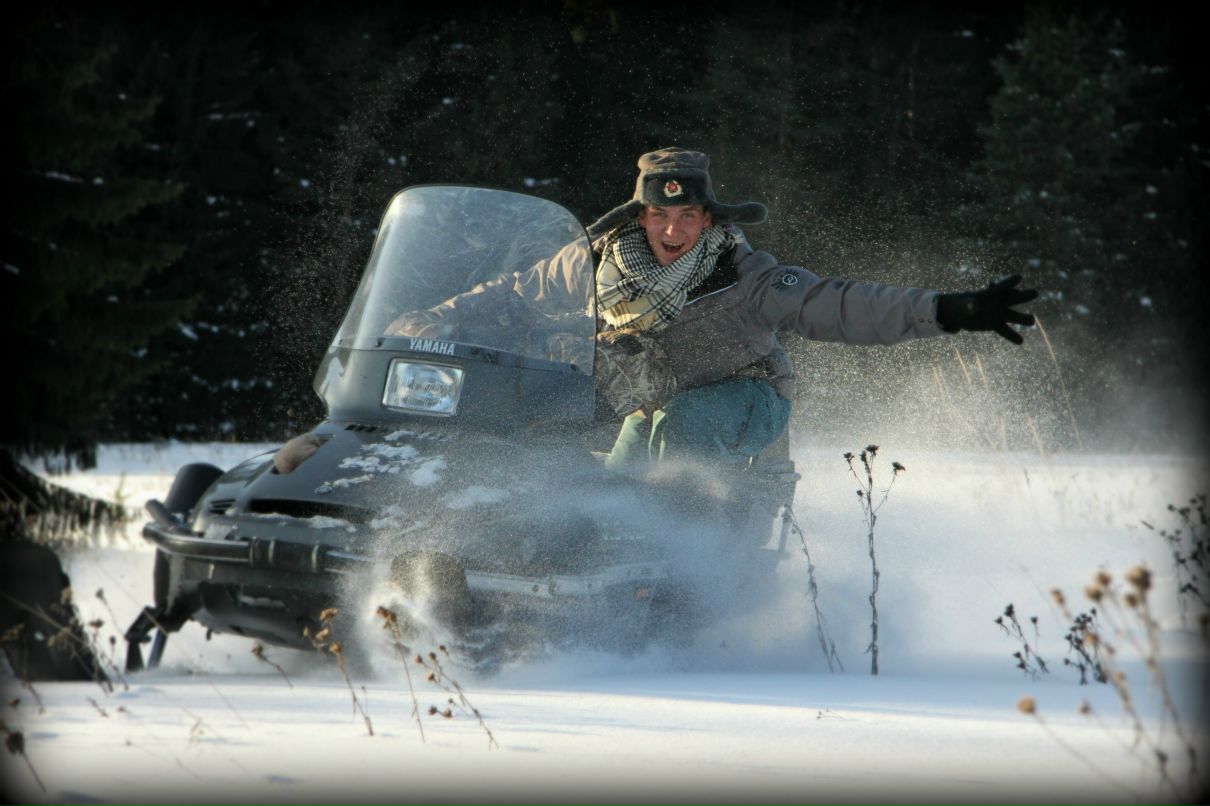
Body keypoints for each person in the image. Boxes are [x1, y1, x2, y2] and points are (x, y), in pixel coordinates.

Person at [586, 147, 1037, 470]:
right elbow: (530, 286)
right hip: (659, 403)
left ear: (708, 220)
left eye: (687, 215)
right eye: (660, 214)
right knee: (618, 483)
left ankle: (687, 571)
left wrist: (946, 310)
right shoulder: (602, 270)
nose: (672, 229)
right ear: (640, 218)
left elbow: (838, 304)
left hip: (751, 397)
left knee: (688, 426)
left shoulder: (750, 279)